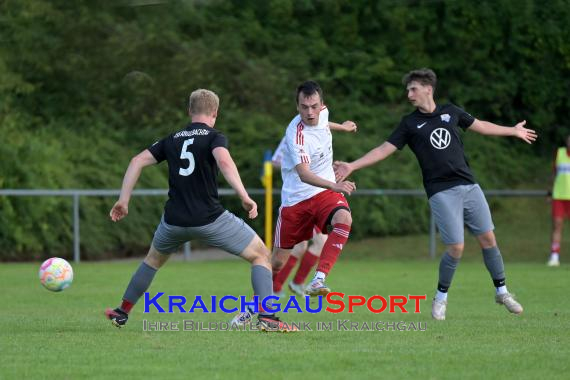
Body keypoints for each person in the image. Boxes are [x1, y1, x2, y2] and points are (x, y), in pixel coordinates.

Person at [334, 68, 537, 320]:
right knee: (456, 247)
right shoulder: (409, 123)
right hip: (441, 191)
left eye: (413, 89)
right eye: (408, 89)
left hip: (469, 185)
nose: (409, 94)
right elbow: (383, 149)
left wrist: (513, 130)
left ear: (428, 89)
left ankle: (502, 292)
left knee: (489, 240)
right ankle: (441, 297)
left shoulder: (451, 111)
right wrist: (352, 165)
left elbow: (481, 126)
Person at [105, 89, 295, 332]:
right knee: (261, 256)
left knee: (152, 261)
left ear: (189, 112)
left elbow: (136, 161)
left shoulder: (171, 138)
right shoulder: (214, 137)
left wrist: (123, 200)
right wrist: (245, 196)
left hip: (173, 221)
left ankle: (122, 312)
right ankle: (268, 317)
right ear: (215, 114)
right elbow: (224, 162)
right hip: (209, 219)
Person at [270, 119, 357, 297]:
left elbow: (324, 123)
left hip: (319, 197)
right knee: (295, 250)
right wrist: (296, 164)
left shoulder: (318, 124)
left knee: (321, 242)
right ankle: (274, 287)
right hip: (298, 199)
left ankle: (300, 283)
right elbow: (276, 162)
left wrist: (342, 127)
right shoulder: (293, 136)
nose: (312, 114)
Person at [547, 135, 570, 267]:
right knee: (557, 225)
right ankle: (554, 255)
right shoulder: (560, 153)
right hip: (559, 196)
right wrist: (549, 192)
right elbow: (553, 173)